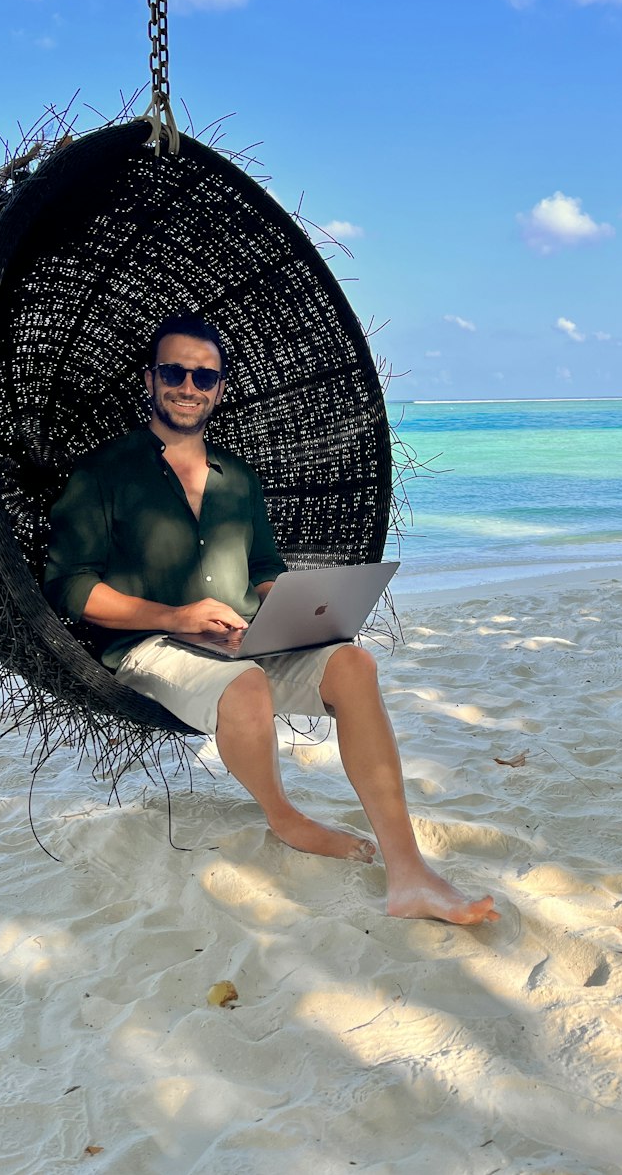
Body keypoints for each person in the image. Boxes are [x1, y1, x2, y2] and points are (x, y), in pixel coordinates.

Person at [44, 313, 497, 925]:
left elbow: (263, 568)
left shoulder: (239, 481)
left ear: (220, 389)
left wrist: (292, 610)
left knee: (353, 664)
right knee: (246, 686)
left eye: (204, 377)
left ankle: (408, 870)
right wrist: (177, 615)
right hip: (148, 646)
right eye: (175, 372)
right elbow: (73, 587)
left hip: (241, 641)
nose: (188, 386)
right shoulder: (102, 473)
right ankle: (284, 818)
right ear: (150, 379)